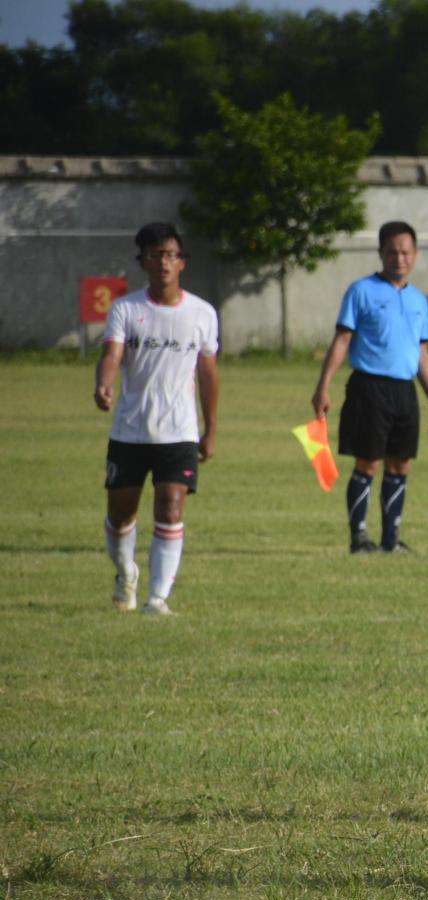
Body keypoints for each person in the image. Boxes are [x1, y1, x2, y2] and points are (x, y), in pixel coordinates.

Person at [93, 221, 219, 616]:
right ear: (143, 262)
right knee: (121, 514)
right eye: (154, 254)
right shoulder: (126, 309)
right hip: (131, 430)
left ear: (182, 262)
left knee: (170, 508)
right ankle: (126, 571)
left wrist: (210, 428)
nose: (163, 261)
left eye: (170, 254)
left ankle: (157, 598)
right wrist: (104, 383)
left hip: (178, 432)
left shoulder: (202, 313)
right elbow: (112, 353)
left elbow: (208, 373)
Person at [311, 221, 428, 555]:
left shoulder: (418, 300)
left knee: (400, 464)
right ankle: (359, 538)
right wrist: (322, 387)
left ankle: (391, 539)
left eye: (405, 252)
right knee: (367, 463)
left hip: (404, 391)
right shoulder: (361, 291)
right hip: (368, 387)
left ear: (414, 255)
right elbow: (342, 340)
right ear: (381, 253)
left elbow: (422, 353)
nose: (399, 258)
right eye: (392, 252)